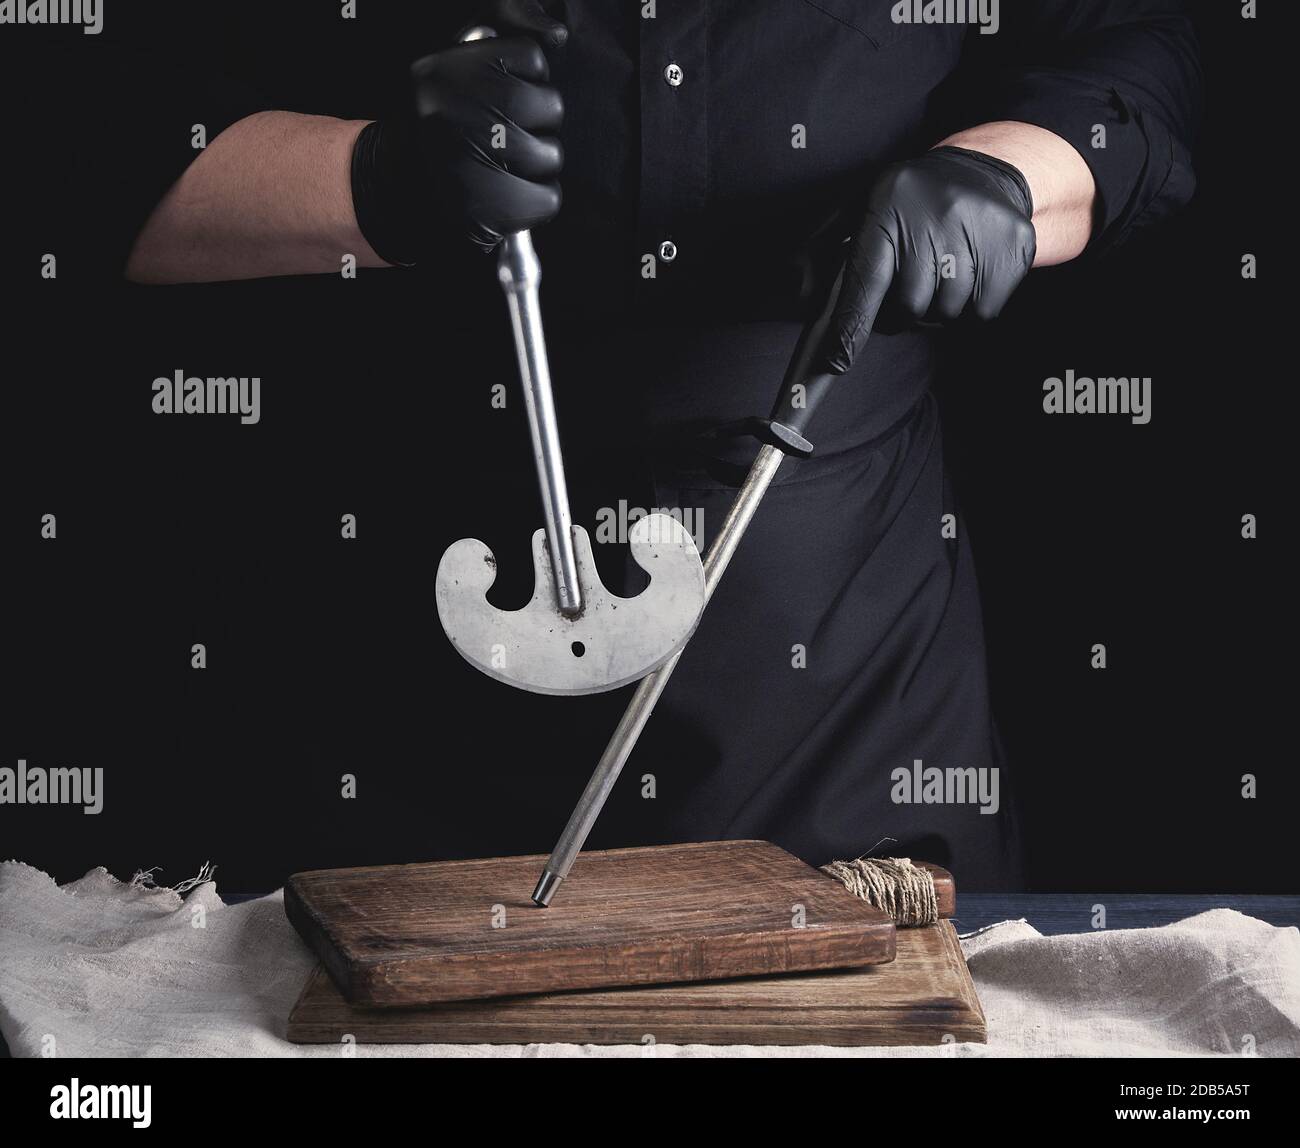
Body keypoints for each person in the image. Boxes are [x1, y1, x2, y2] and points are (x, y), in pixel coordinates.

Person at [11, 1, 1201, 888]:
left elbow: (1136, 59)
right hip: (393, 757)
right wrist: (380, 176)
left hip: (851, 737)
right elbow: (86, 144)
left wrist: (1004, 175)